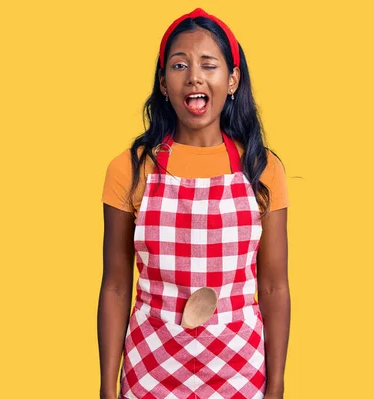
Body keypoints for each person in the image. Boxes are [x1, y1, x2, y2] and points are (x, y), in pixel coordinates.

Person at [98, 8, 290, 399]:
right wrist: (106, 385)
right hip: (151, 367)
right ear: (164, 84)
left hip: (239, 369)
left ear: (232, 80)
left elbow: (273, 287)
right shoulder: (130, 169)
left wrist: (276, 387)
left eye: (209, 65)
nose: (194, 77)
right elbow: (116, 287)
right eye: (179, 65)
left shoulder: (261, 169)